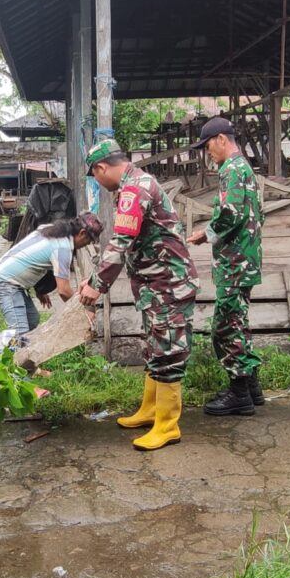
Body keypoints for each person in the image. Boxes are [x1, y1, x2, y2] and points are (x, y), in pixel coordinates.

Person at [79, 139, 199, 451]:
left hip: (168, 284)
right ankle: (150, 411)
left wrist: (97, 284)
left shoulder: (135, 189)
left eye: (95, 175)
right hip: (155, 284)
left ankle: (167, 425)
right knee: (155, 346)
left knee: (168, 350)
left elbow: (120, 241)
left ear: (101, 168)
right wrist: (93, 278)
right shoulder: (133, 185)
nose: (97, 181)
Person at [187, 117, 265, 416]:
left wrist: (204, 235)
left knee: (225, 328)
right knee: (238, 324)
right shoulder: (243, 169)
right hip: (243, 260)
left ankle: (239, 393)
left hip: (235, 263)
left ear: (221, 139)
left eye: (208, 146)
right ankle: (252, 387)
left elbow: (231, 214)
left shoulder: (232, 170)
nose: (208, 153)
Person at [0, 213, 103, 337]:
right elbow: (64, 290)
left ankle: (19, 352)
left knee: (32, 320)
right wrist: (84, 312)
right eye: (89, 241)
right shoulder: (63, 248)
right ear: (82, 233)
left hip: (8, 278)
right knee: (19, 332)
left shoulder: (51, 230)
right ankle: (1, 353)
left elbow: (35, 256)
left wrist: (40, 290)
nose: (87, 245)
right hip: (4, 283)